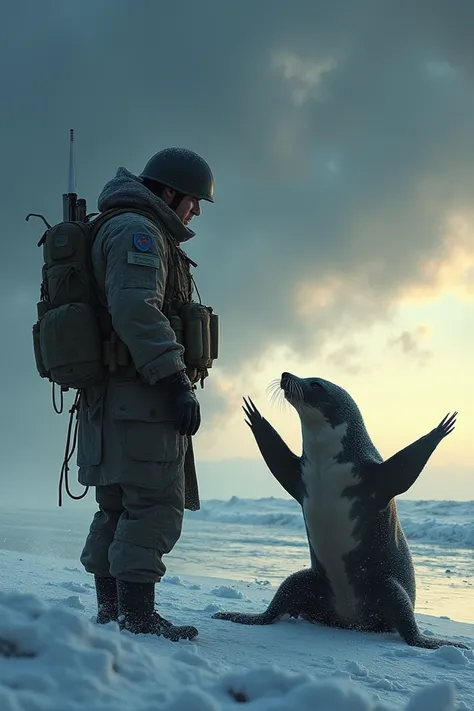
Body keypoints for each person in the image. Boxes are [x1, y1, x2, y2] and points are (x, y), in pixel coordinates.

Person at [77, 148, 215, 641]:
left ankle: (113, 613)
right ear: (169, 192)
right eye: (193, 200)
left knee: (116, 506)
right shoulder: (137, 231)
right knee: (154, 505)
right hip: (140, 397)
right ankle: (136, 619)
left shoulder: (114, 225)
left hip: (111, 399)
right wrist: (176, 382)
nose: (194, 212)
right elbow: (136, 309)